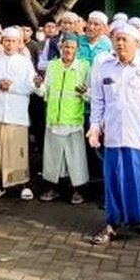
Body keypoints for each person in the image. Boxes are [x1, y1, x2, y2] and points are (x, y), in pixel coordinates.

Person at [88, 22, 140, 245]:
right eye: (117, 39)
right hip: (113, 135)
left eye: (125, 40)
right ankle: (112, 223)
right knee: (113, 180)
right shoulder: (105, 66)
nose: (120, 43)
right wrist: (94, 127)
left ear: (136, 44)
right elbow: (98, 100)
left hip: (138, 135)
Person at [0, 27, 38, 200]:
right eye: (7, 40)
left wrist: (10, 87)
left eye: (13, 41)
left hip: (17, 114)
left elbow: (31, 87)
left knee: (19, 150)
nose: (10, 44)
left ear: (19, 43)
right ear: (2, 41)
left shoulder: (25, 62)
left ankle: (23, 184)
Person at [35, 34, 91, 204]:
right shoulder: (52, 66)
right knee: (53, 158)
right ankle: (53, 189)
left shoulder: (84, 66)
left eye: (72, 47)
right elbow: (45, 92)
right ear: (60, 48)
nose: (68, 50)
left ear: (77, 50)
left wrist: (84, 93)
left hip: (73, 120)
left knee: (75, 158)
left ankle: (77, 191)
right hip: (54, 119)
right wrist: (38, 85)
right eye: (65, 47)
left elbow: (91, 96)